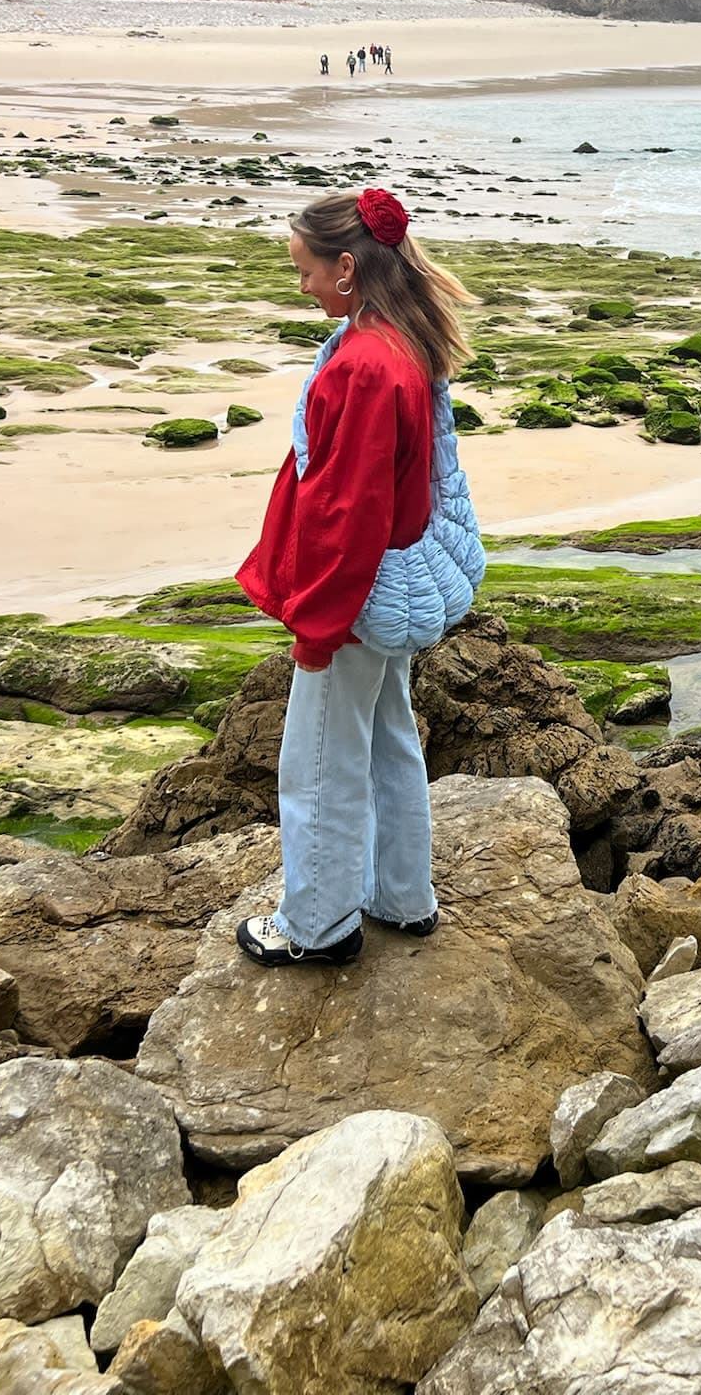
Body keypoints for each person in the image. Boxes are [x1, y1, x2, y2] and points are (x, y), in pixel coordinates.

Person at [234, 187, 476, 967]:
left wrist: (317, 625)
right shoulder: (395, 338)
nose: (298, 284)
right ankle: (403, 897)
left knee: (317, 763)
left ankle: (317, 924)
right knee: (385, 740)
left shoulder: (369, 362)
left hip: (356, 593)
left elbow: (350, 512)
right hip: (389, 583)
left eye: (304, 270)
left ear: (346, 267)